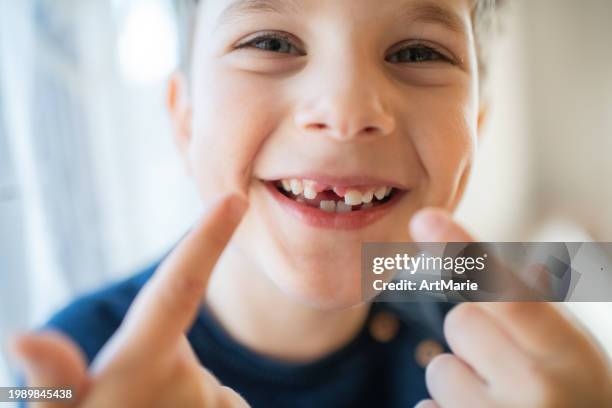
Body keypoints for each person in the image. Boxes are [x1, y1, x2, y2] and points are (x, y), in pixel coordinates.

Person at [9, 0, 612, 406]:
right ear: (185, 119)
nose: (347, 111)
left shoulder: (490, 304)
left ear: (475, 128)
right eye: (271, 41)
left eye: (416, 54)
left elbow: (586, 267)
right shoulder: (75, 372)